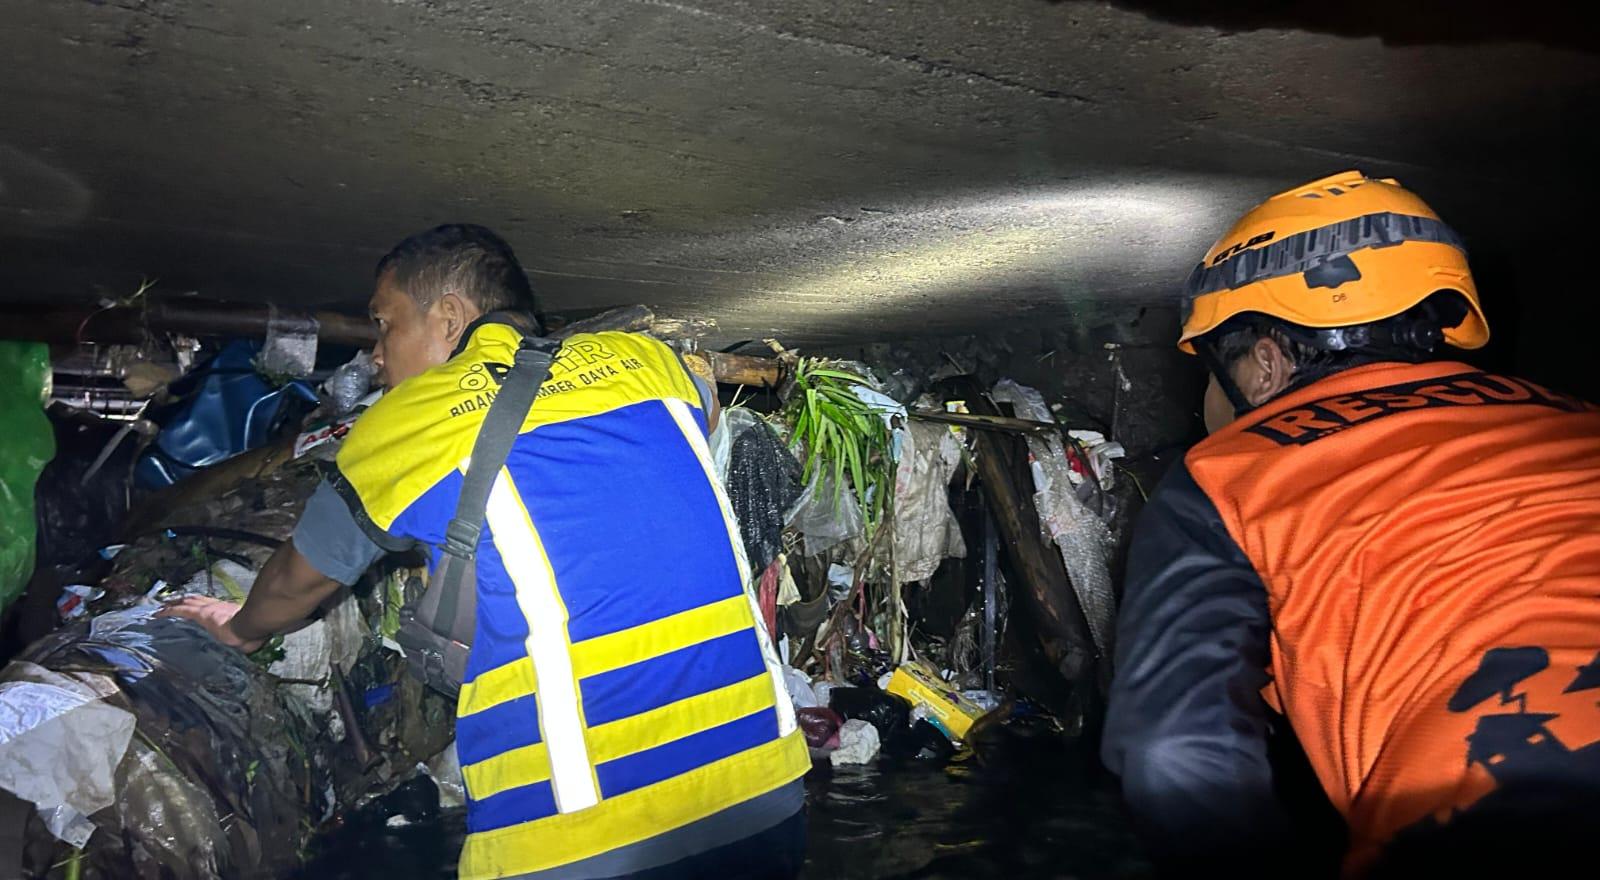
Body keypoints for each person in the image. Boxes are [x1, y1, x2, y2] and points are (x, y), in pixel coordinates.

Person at [165, 224, 810, 880]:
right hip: (764, 786)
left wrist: (239, 629)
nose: (376, 357)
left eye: (385, 326)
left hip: (574, 828)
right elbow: (702, 414)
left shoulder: (406, 421)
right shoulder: (649, 362)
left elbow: (295, 581)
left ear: (449, 317)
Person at [1101, 172, 1600, 875]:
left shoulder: (1231, 473)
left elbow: (1175, 750)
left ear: (1265, 365)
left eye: (1209, 373)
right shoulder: (1577, 419)